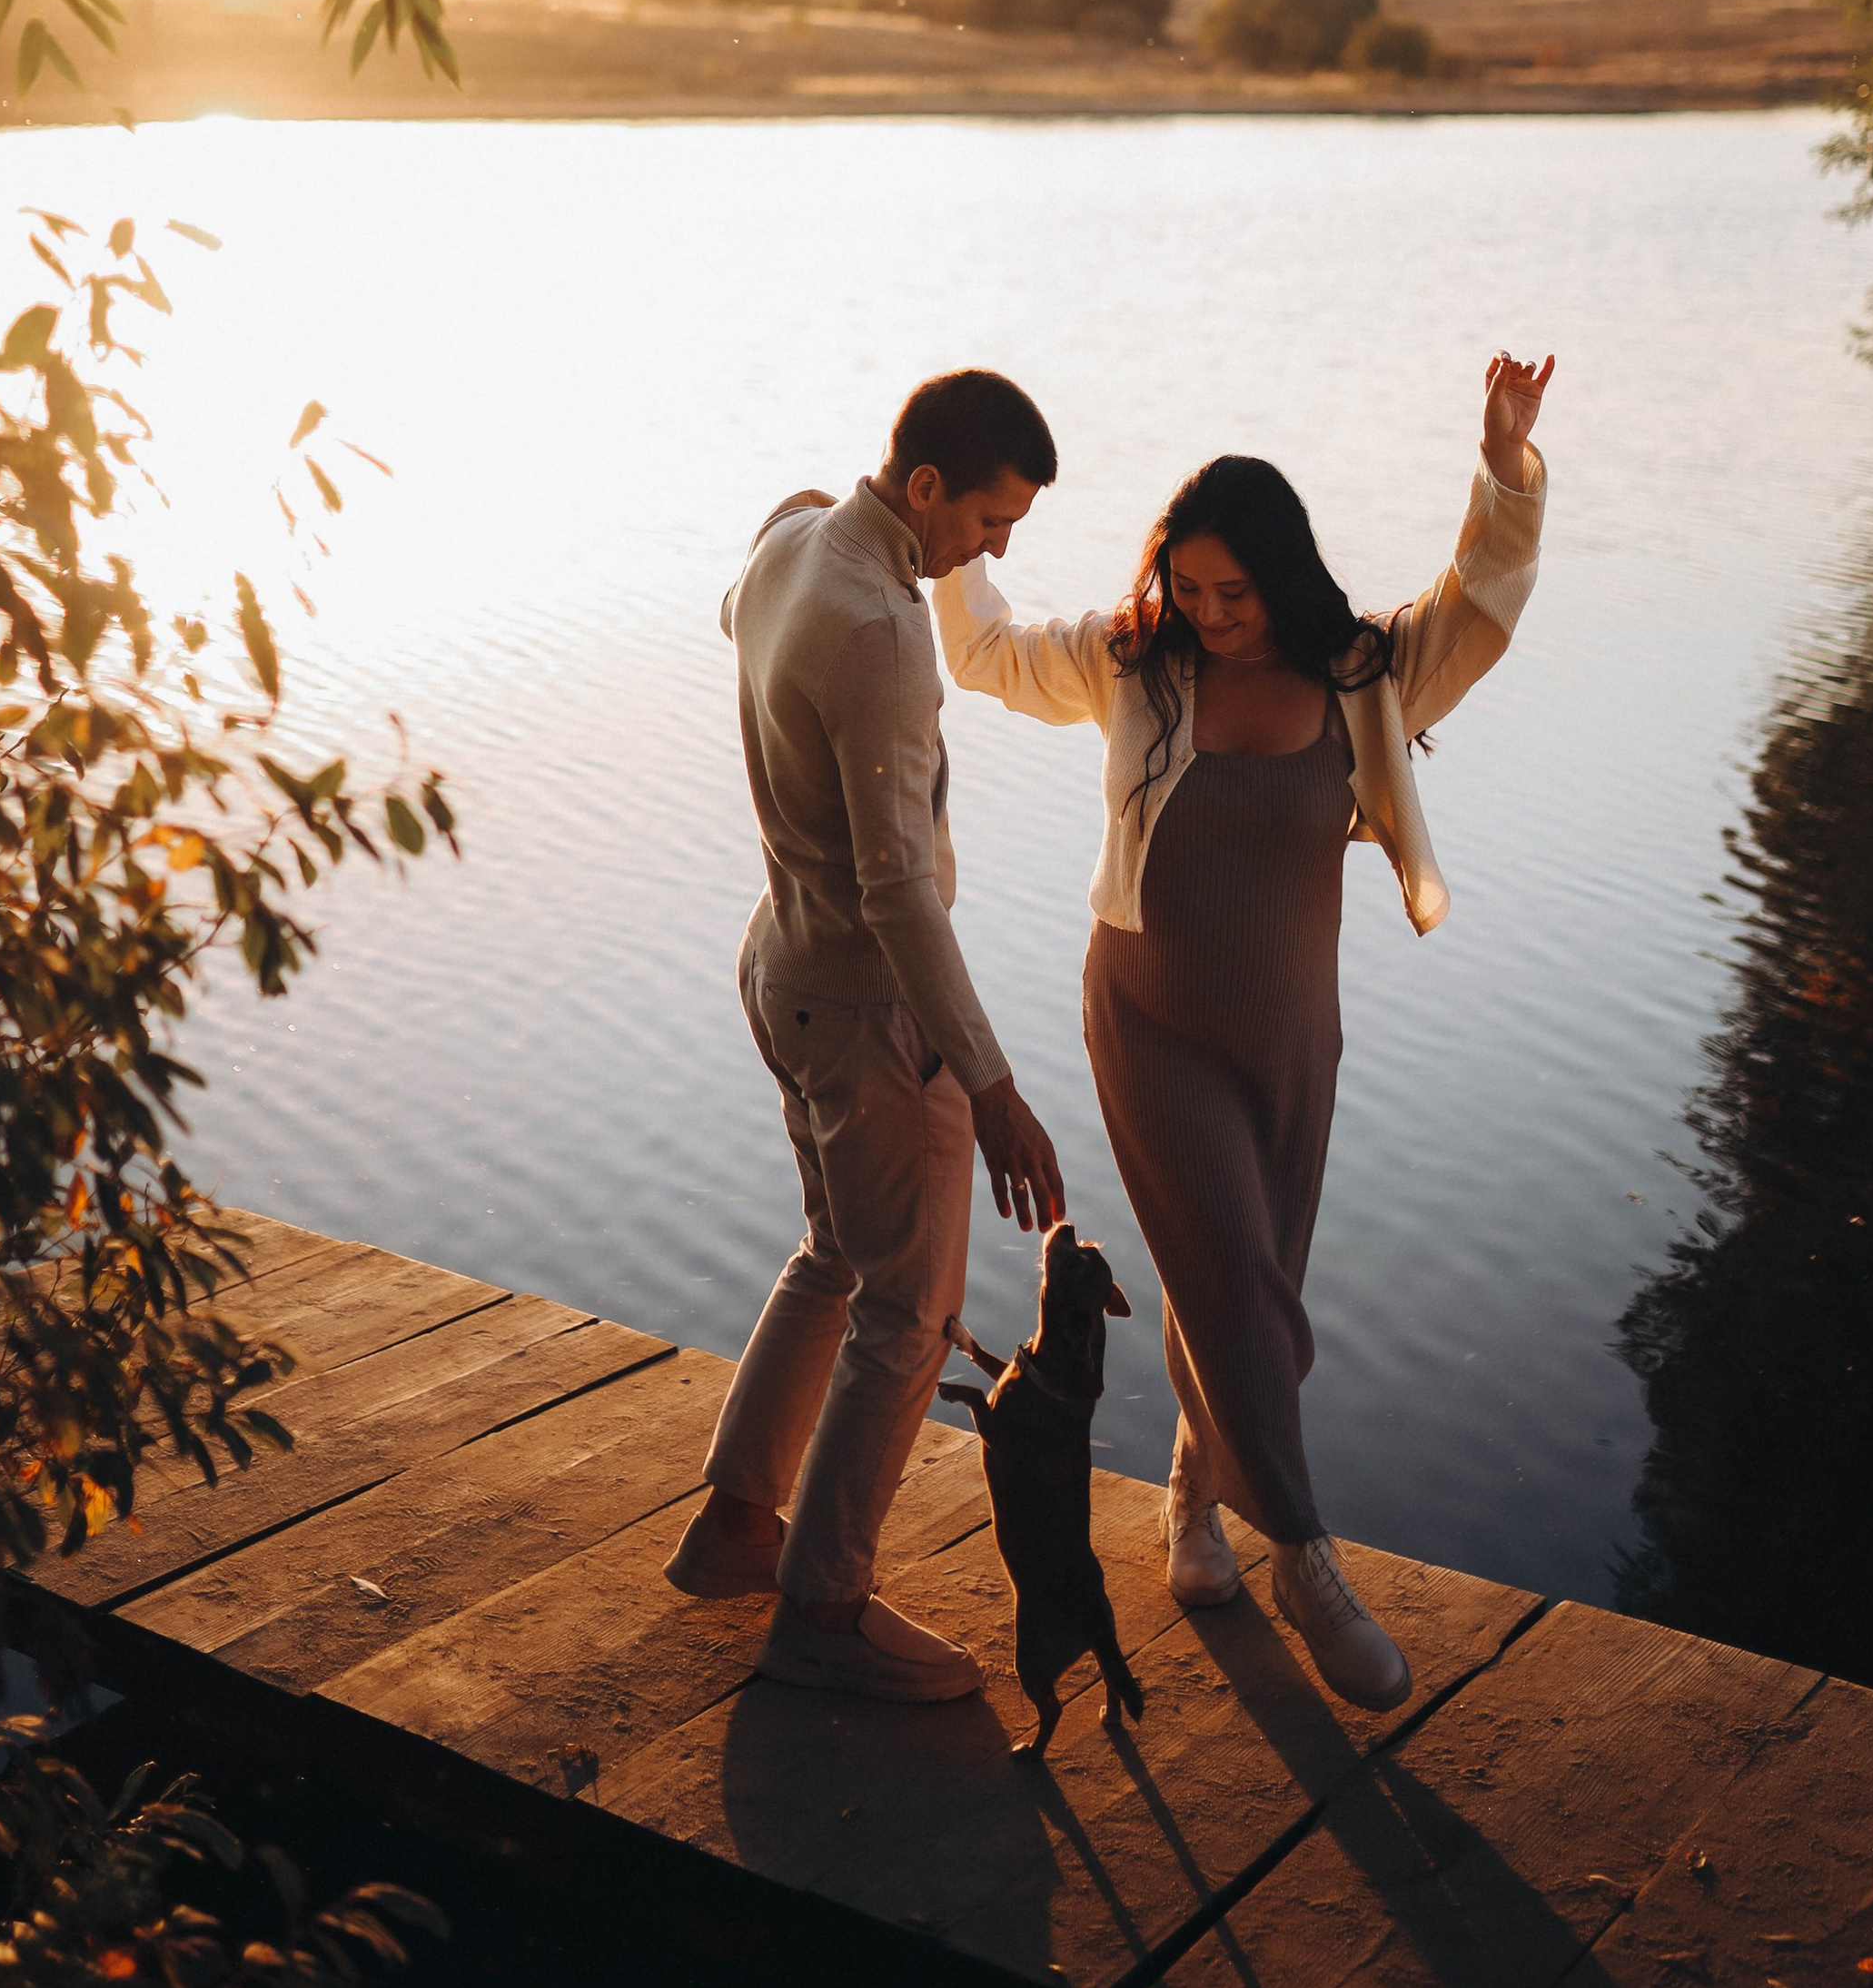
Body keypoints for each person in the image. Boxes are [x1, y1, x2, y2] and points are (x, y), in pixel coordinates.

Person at [933, 351, 1551, 1714]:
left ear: (1285, 575)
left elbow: (1486, 601)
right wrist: (948, 540)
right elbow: (981, 652)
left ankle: (1192, 1515)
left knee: (1243, 1284)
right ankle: (1308, 1558)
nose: (1207, 616)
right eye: (1189, 589)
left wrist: (1506, 465)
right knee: (1243, 1290)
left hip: (1289, 1037)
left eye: (1234, 592)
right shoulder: (1130, 663)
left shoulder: (1366, 674)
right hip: (1147, 1020)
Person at [664, 367, 1068, 1705]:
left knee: (838, 1250)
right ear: (930, 487)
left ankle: (734, 1527)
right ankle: (824, 1606)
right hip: (863, 1005)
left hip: (776, 966)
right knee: (914, 1311)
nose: (997, 550)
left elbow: (739, 601)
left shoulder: (794, 545)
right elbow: (899, 891)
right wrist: (994, 1087)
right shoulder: (887, 637)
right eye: (990, 520)